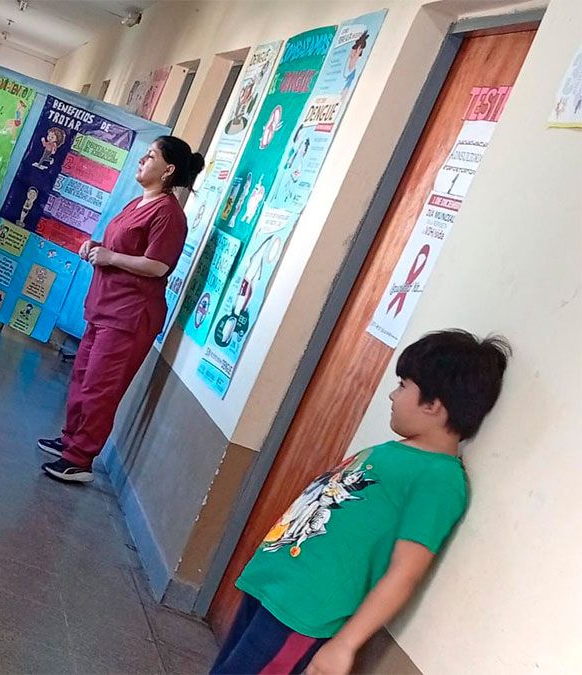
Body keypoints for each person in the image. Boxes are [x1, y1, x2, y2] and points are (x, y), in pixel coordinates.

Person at [211, 330, 510, 675]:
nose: (393, 395)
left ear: (433, 405)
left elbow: (406, 571)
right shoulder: (392, 452)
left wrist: (345, 644)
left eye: (403, 386)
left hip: (303, 615)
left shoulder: (439, 480)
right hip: (273, 588)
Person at [37, 136, 205, 483]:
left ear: (168, 170)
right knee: (82, 377)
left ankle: (80, 459)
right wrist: (96, 247)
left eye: (151, 156)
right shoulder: (138, 203)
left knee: (100, 388)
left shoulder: (168, 214)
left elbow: (158, 265)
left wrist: (110, 257)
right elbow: (121, 245)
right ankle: (70, 440)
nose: (142, 160)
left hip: (129, 316)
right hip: (104, 306)